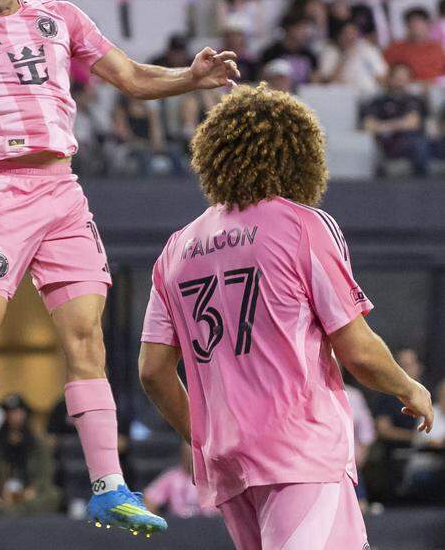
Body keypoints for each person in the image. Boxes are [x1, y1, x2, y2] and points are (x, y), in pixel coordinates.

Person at [0, 0, 239, 534]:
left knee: (86, 338)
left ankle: (108, 487)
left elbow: (130, 77)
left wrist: (191, 79)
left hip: (61, 190)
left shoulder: (60, 17)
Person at [138, 84, 434, 549]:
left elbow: (152, 370)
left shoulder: (176, 249)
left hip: (231, 463)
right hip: (300, 451)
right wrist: (409, 386)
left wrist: (204, 438)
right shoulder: (303, 224)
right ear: (298, 156)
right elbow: (357, 349)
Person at [362, 63, 431, 177]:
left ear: (409, 80)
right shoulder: (378, 101)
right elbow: (368, 125)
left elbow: (413, 123)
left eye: (404, 78)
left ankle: (423, 182)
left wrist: (385, 126)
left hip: (411, 141)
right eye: (398, 77)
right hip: (388, 143)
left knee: (420, 144)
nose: (401, 81)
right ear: (390, 79)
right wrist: (400, 124)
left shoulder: (414, 100)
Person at [144, 444, 218, 519]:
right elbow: (148, 501)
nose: (192, 459)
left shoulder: (216, 478)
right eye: (188, 455)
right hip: (179, 523)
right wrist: (159, 522)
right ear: (183, 455)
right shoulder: (171, 477)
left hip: (210, 522)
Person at [383, 7, 445, 82]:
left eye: (419, 23)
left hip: (436, 86)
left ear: (428, 25)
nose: (416, 27)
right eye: (412, 23)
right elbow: (384, 74)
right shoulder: (395, 48)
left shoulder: (437, 48)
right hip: (407, 87)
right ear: (407, 26)